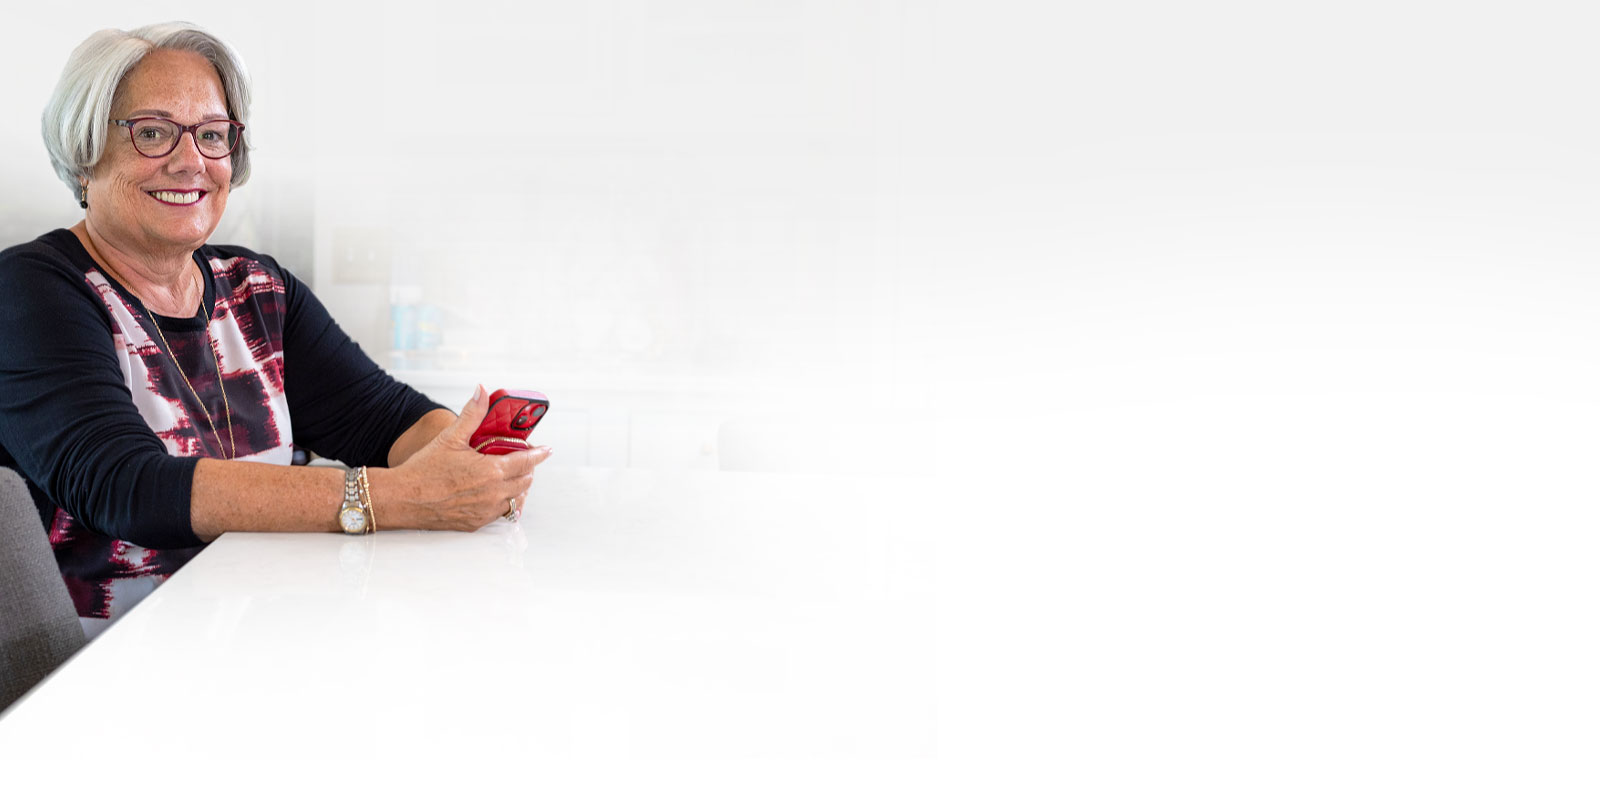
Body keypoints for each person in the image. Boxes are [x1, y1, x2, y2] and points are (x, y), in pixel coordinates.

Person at [0, 22, 551, 639]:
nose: (191, 162)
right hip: (111, 668)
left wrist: (466, 465)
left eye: (213, 136)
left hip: (266, 639)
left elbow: (384, 420)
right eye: (152, 133)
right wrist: (395, 498)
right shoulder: (31, 290)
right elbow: (126, 488)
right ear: (83, 151)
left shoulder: (255, 288)